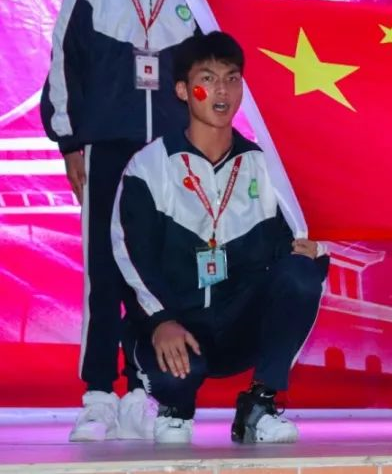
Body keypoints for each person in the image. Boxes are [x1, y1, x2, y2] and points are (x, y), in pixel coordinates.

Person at [39, 0, 205, 441]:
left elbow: (208, 73)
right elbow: (65, 62)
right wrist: (70, 141)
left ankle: (141, 390)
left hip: (169, 156)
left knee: (156, 271)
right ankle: (96, 394)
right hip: (109, 147)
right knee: (104, 272)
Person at [111, 32, 329, 444]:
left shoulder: (264, 167)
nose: (222, 90)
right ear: (182, 90)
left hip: (237, 327)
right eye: (207, 79)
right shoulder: (149, 166)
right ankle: (171, 407)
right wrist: (160, 320)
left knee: (302, 274)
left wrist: (315, 250)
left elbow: (293, 245)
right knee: (176, 389)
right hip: (175, 325)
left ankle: (259, 405)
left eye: (231, 78)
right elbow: (128, 255)